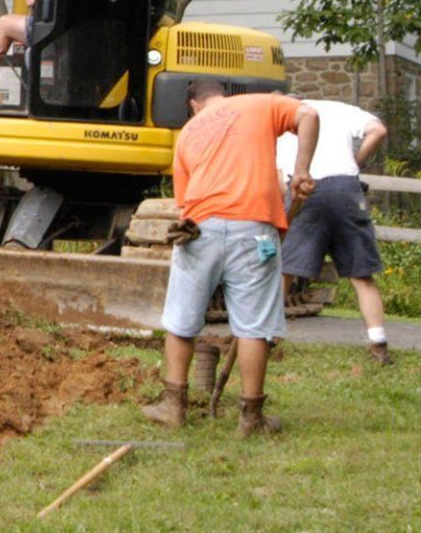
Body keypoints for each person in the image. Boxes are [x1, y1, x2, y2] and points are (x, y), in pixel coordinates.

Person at [142, 79, 317, 436]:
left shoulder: (188, 133)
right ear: (223, 94)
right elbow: (309, 115)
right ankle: (251, 418)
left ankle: (173, 406)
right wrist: (301, 170)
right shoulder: (260, 103)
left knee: (181, 319)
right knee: (254, 326)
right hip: (253, 229)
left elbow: (184, 203)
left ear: (194, 103)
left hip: (200, 228)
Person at [276, 99, 393, 364]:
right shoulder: (340, 109)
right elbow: (379, 131)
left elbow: (280, 180)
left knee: (285, 270)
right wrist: (355, 161)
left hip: (305, 189)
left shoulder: (284, 120)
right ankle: (378, 343)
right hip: (346, 188)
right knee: (361, 275)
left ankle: (268, 337)